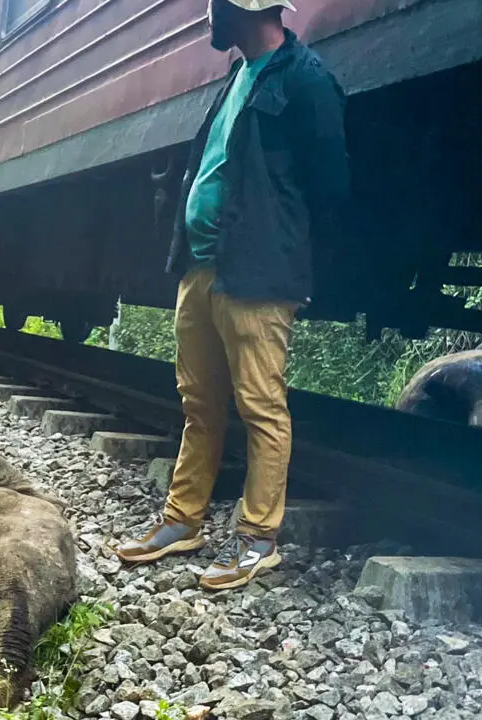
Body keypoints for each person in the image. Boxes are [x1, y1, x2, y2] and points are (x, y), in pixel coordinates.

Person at [114, 0, 351, 591]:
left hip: (259, 273)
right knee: (199, 402)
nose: (208, 17)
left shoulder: (307, 79)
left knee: (261, 407)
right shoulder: (236, 76)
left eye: (216, 7)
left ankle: (257, 540)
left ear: (243, 11)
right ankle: (182, 521)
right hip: (202, 267)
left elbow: (331, 189)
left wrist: (289, 257)